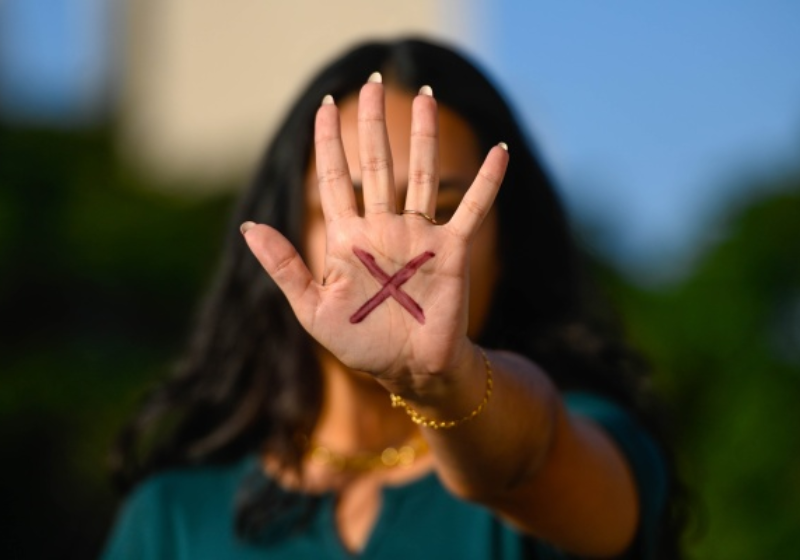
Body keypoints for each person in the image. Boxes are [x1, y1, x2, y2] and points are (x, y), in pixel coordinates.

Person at [103, 38, 683, 559]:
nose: (400, 248)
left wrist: (443, 382)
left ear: (508, 245)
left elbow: (532, 461)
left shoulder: (589, 443)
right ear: (290, 230)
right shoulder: (173, 518)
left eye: (447, 209)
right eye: (349, 206)